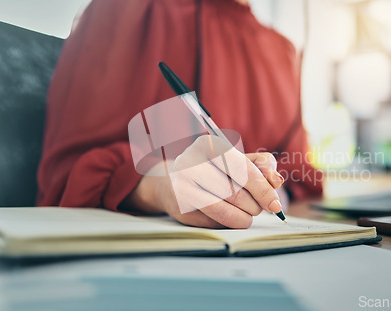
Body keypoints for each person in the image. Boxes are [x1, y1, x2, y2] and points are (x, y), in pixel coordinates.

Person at [37, 0, 322, 228]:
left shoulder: (281, 50)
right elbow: (67, 173)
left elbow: (301, 176)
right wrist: (161, 185)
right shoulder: (125, 13)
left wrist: (264, 180)